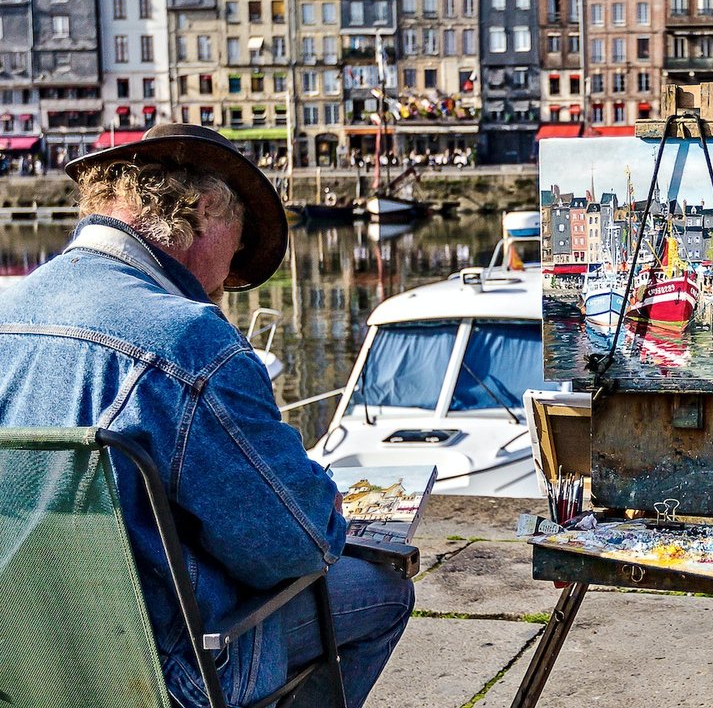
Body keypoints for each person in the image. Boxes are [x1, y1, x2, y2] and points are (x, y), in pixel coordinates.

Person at [0, 124, 411, 708]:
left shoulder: (8, 307)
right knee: (382, 591)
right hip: (161, 674)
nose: (225, 283)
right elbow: (292, 545)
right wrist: (325, 505)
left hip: (19, 659)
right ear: (203, 209)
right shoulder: (187, 337)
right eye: (237, 247)